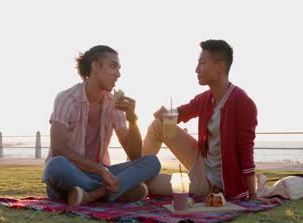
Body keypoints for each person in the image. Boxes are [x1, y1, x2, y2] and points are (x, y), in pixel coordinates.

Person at [143, 39, 281, 204]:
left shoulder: (242, 103)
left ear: (220, 67)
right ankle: (138, 171)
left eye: (202, 63)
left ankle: (137, 182)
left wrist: (252, 195)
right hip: (201, 161)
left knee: (148, 184)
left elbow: (246, 150)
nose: (196, 69)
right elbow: (181, 113)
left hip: (213, 183)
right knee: (160, 125)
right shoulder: (206, 99)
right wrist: (167, 114)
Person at [43, 45, 161, 206]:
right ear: (95, 67)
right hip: (70, 175)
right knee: (55, 165)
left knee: (152, 162)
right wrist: (102, 170)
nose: (118, 74)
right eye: (112, 66)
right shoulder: (67, 99)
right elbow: (59, 149)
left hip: (100, 176)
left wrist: (132, 120)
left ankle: (91, 195)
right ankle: (115, 192)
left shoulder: (114, 104)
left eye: (119, 68)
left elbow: (134, 155)